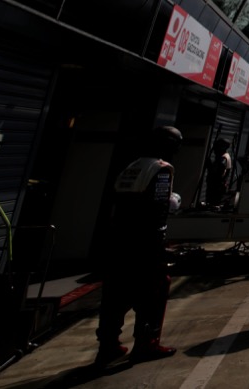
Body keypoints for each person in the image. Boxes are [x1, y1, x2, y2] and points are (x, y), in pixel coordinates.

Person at [94, 124, 184, 367]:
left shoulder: (131, 167)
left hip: (118, 241)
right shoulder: (162, 169)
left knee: (115, 295)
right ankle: (147, 343)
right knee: (155, 290)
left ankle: (108, 346)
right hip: (144, 244)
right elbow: (158, 211)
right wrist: (160, 245)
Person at [205, 137, 232, 209]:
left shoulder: (223, 158)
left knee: (212, 207)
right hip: (217, 188)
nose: (214, 149)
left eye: (216, 147)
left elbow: (217, 174)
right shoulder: (226, 156)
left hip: (216, 190)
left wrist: (209, 165)